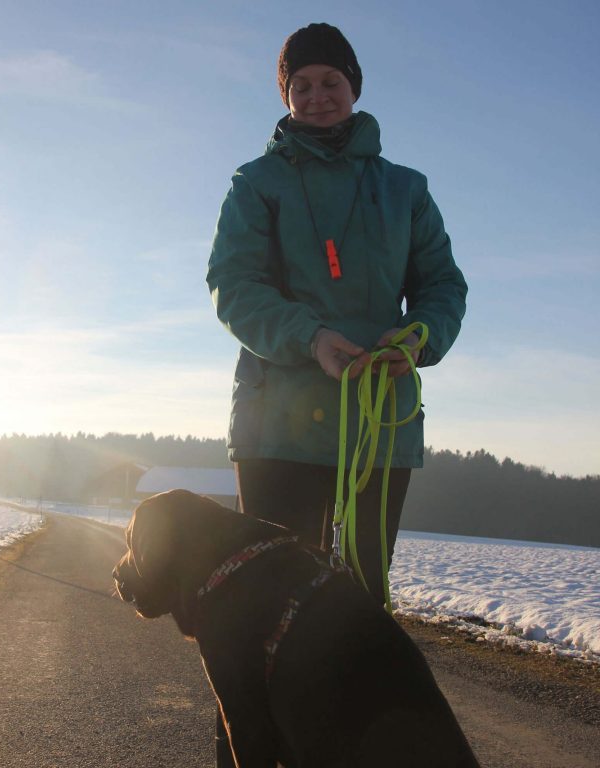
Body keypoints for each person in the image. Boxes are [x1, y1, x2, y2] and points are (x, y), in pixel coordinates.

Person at [206, 21, 467, 765]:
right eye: (302, 85)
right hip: (277, 429)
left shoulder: (406, 190)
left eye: (331, 81)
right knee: (261, 622)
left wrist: (417, 338)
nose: (318, 95)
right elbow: (235, 287)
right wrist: (310, 337)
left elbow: (443, 287)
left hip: (376, 431)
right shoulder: (256, 184)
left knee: (352, 621)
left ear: (354, 88)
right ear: (285, 96)